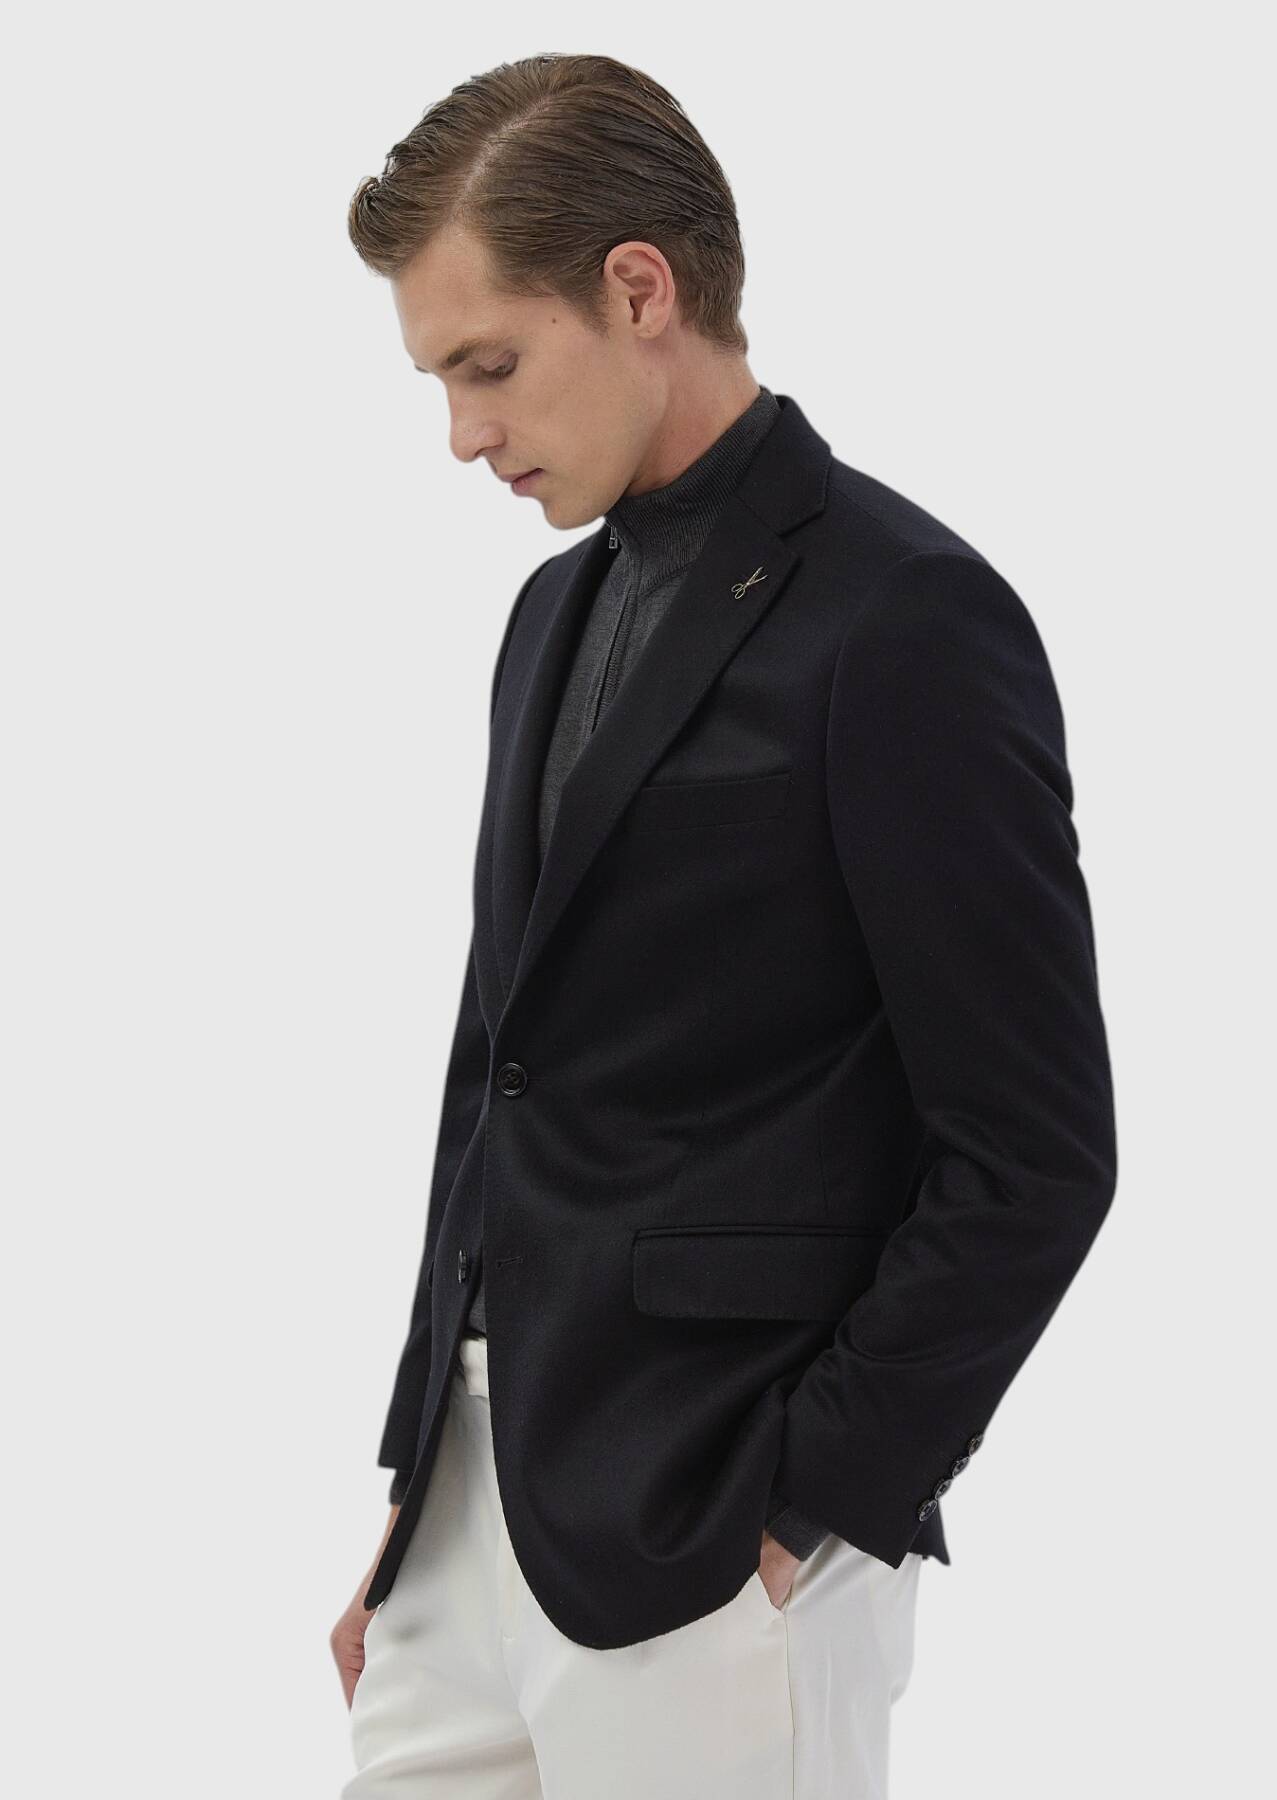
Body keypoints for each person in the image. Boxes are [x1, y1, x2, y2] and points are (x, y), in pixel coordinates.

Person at [332, 51, 1117, 1800]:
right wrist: (416, 1491)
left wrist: (812, 1504)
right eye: (439, 380)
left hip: (711, 1532)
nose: (462, 434)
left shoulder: (905, 617)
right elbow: (497, 1070)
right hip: (473, 1511)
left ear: (639, 290)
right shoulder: (547, 614)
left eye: (487, 366)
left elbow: (1035, 1151)